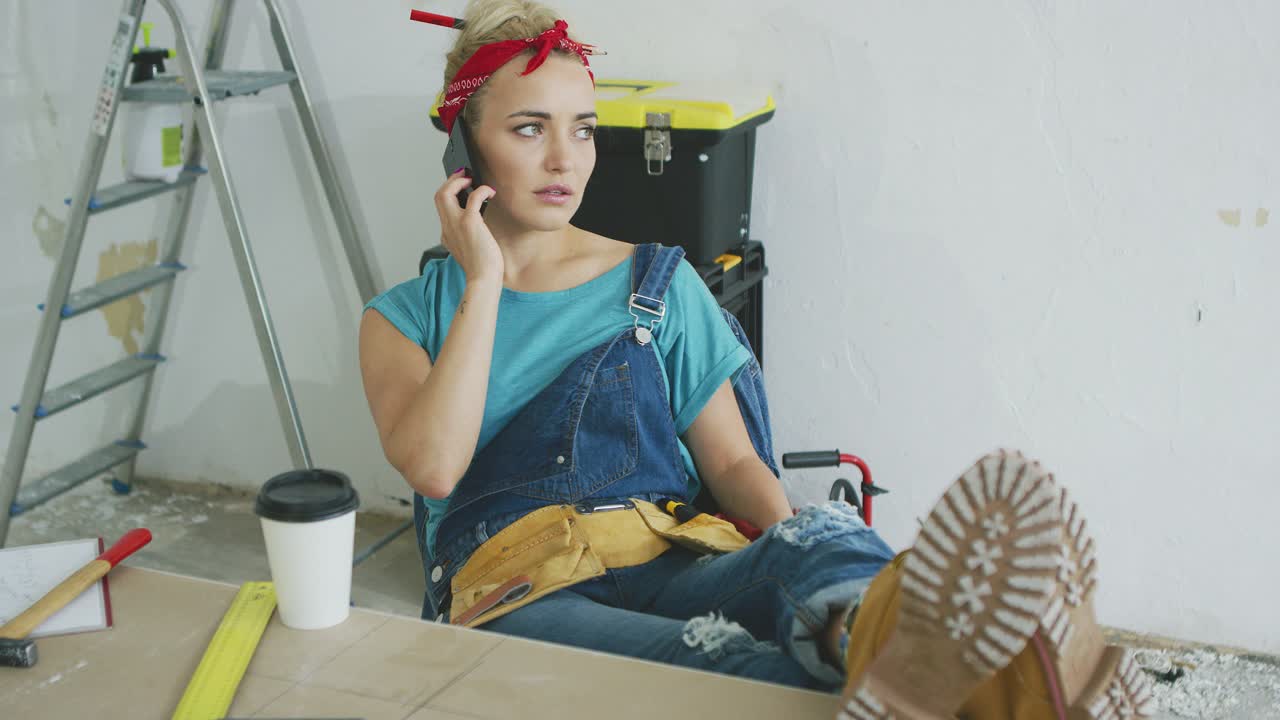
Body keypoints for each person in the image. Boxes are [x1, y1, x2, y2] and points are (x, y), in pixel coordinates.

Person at [358, 2, 1155, 717]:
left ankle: (899, 651)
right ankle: (1001, 694)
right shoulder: (402, 319)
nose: (567, 160)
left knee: (824, 541)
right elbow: (434, 469)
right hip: (517, 595)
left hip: (669, 555)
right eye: (531, 129)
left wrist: (794, 562)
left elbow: (736, 464)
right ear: (464, 149)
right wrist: (483, 282)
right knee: (721, 666)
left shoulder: (655, 284)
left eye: (585, 128)